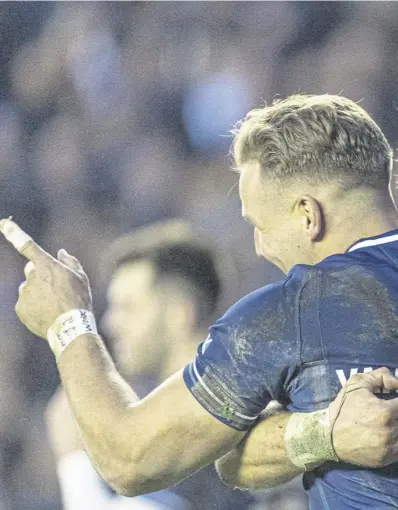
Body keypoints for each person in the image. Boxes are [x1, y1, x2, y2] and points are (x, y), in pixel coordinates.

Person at [5, 94, 398, 510]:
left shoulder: (296, 310)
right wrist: (323, 432)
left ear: (307, 215)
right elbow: (234, 460)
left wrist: (67, 320)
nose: (260, 248)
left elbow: (128, 459)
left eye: (260, 225)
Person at [45, 219, 257, 510]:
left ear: (180, 315)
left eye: (127, 308)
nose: (110, 324)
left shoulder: (212, 411)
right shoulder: (171, 405)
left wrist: (74, 462)